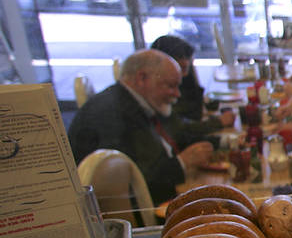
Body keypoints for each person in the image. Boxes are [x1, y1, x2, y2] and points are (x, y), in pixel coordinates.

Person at [68, 49, 215, 204]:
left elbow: (175, 134)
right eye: (171, 86)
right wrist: (181, 163)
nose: (177, 94)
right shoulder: (116, 116)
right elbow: (137, 184)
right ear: (142, 78)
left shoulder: (132, 100)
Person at [149, 35, 235, 145]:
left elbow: (194, 111)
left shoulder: (181, 82)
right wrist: (218, 122)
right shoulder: (160, 95)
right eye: (182, 68)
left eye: (188, 66)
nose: (185, 73)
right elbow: (181, 127)